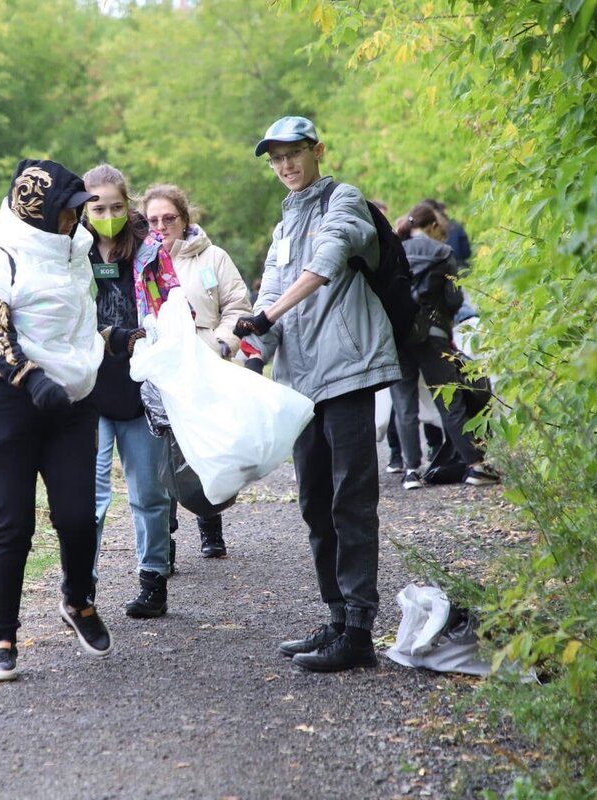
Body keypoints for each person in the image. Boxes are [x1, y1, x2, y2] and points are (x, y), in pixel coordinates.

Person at [233, 116, 403, 673]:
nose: (285, 166)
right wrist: (246, 351)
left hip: (348, 370)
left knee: (349, 499)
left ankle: (359, 629)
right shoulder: (283, 225)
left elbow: (324, 265)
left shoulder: (343, 201)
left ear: (317, 150)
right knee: (312, 502)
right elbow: (271, 298)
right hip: (300, 384)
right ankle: (335, 617)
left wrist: (266, 315)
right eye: (275, 158)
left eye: (293, 154)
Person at [0, 159, 112, 682]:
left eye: (77, 210)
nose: (77, 219)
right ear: (41, 215)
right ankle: (2, 638)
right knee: (14, 523)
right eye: (68, 212)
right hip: (10, 399)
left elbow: (76, 322)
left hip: (71, 403)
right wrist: (29, 376)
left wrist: (110, 343)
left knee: (75, 516)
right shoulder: (0, 255)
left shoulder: (78, 253)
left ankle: (77, 601)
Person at [83, 164, 175, 619]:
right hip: (88, 388)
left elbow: (172, 304)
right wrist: (111, 336)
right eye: (98, 206)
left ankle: (153, 580)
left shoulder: (149, 252)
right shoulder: (71, 252)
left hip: (141, 387)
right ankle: (83, 587)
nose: (108, 214)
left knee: (148, 493)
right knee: (90, 496)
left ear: (128, 204)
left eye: (117, 206)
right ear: (84, 206)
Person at [141, 183, 252, 558]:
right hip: (161, 371)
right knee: (162, 452)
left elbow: (238, 306)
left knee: (202, 446)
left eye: (168, 218)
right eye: (152, 219)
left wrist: (223, 344)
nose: (161, 225)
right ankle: (164, 538)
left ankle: (210, 521)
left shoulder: (213, 257)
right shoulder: (140, 262)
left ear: (184, 219)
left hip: (206, 363)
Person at [389, 201, 500, 489]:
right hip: (433, 333)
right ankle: (476, 466)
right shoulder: (443, 253)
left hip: (398, 336)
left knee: (404, 403)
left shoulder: (392, 250)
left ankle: (411, 470)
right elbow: (454, 299)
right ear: (433, 226)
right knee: (449, 399)